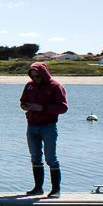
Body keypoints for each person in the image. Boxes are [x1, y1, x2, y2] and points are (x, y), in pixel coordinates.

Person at [20, 62, 68, 198]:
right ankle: (38, 188)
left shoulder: (55, 86)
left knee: (51, 158)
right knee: (35, 157)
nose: (35, 79)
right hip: (31, 126)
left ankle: (55, 190)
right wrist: (25, 106)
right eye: (33, 76)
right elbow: (22, 101)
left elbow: (63, 108)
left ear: (44, 74)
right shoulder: (29, 86)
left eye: (38, 76)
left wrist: (43, 108)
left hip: (48, 126)